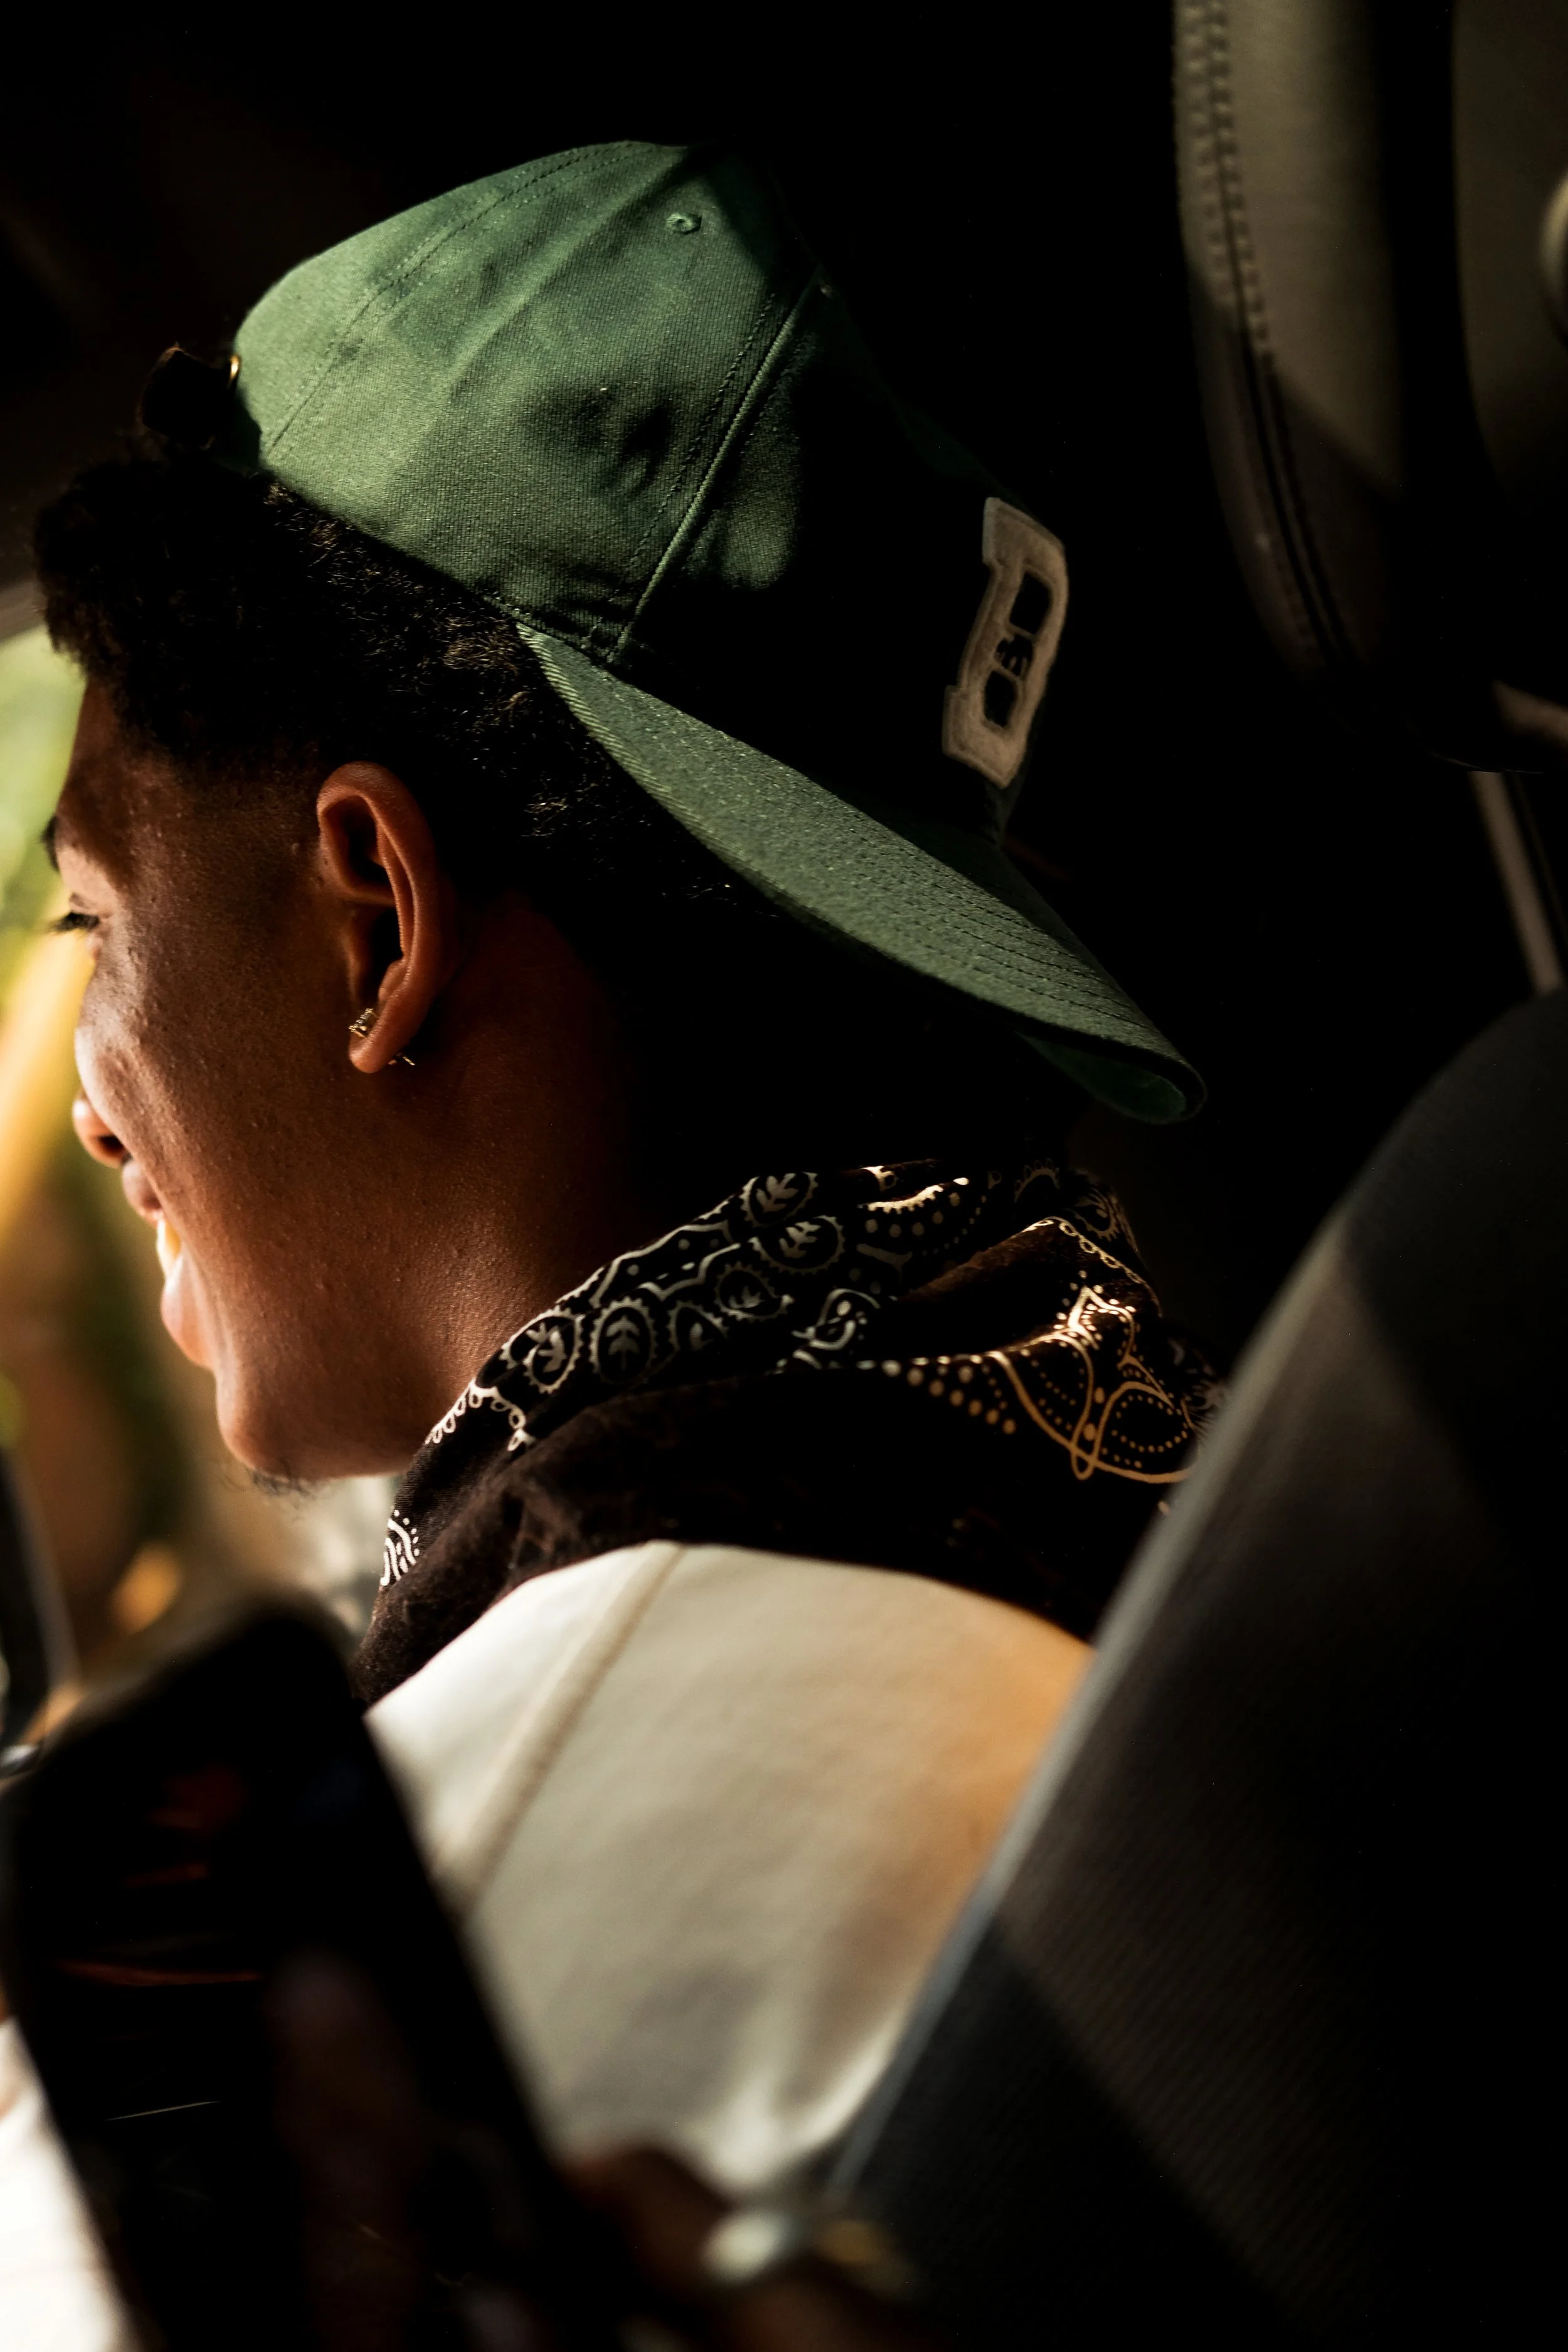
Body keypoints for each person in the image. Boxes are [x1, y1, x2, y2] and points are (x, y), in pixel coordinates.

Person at [0, 142, 1212, 2342]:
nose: (84, 1091)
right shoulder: (1110, 1498)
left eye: (94, 913)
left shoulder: (451, 1906)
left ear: (372, 915)